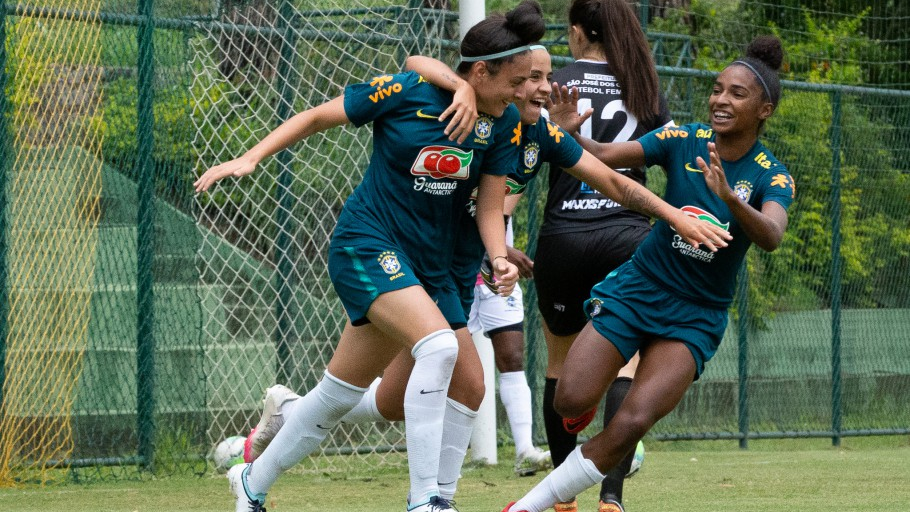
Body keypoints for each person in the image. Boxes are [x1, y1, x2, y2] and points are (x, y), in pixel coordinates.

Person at [239, 44, 729, 506]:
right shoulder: (474, 113)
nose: (542, 86)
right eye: (530, 77)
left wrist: (500, 252)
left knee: (395, 400)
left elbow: (562, 191)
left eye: (545, 76)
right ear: (498, 79)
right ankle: (429, 500)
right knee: (449, 364)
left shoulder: (532, 133)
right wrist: (459, 87)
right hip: (399, 259)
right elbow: (416, 62)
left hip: (447, 274)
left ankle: (291, 421)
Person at [193, 2, 547, 510]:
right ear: (480, 72)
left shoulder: (505, 123)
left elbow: (491, 206)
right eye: (516, 81)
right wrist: (250, 157)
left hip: (429, 268)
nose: (523, 92)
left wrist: (499, 259)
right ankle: (426, 500)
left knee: (358, 393)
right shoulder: (408, 93)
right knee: (440, 349)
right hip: (368, 243)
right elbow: (319, 116)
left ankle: (250, 483)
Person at [504, 34, 795, 512]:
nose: (720, 100)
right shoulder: (684, 139)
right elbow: (602, 155)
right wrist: (565, 133)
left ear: (764, 110)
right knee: (568, 401)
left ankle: (532, 505)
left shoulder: (771, 173)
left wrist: (730, 198)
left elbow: (771, 235)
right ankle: (583, 414)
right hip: (640, 287)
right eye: (718, 89)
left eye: (737, 94)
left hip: (695, 315)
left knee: (632, 422)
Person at [533, 1, 676, 511]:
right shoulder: (643, 84)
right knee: (627, 364)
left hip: (563, 235)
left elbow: (518, 157)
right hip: (627, 236)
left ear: (576, 32)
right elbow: (670, 148)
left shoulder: (554, 81)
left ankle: (562, 501)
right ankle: (610, 498)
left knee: (558, 364)